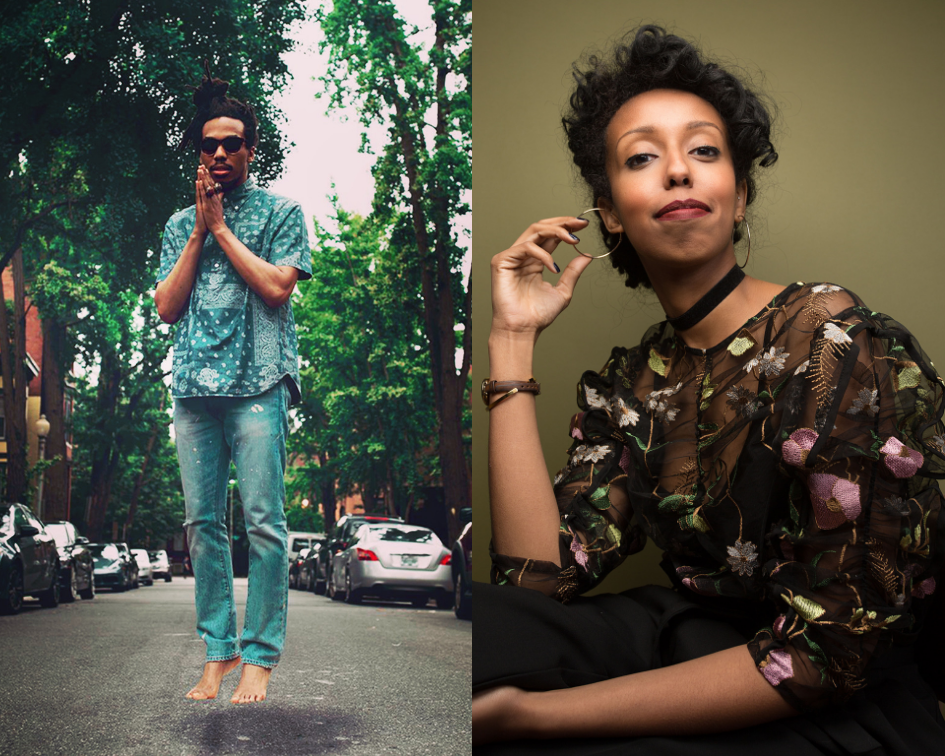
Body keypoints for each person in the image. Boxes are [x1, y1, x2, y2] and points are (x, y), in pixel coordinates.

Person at [474, 26, 945, 753]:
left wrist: (532, 718)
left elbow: (831, 655)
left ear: (739, 193)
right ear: (608, 214)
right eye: (640, 158)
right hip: (691, 637)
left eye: (702, 150)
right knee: (487, 634)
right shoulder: (626, 385)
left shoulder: (839, 344)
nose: (676, 172)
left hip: (843, 690)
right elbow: (535, 589)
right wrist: (510, 340)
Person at [154, 62, 312, 704]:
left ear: (251, 149)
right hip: (194, 391)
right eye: (208, 145)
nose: (219, 154)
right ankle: (217, 652)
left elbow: (277, 288)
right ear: (200, 153)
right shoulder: (176, 224)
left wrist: (222, 228)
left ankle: (260, 658)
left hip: (256, 388)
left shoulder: (281, 212)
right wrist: (198, 229)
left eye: (231, 144)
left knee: (263, 523)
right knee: (201, 525)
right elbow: (167, 306)